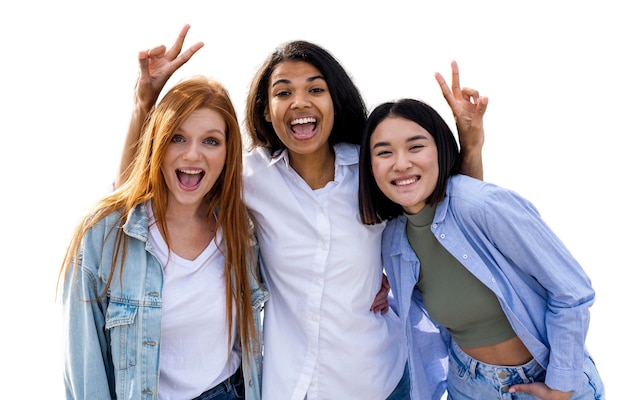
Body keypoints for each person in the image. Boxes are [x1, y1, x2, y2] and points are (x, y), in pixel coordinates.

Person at [118, 25, 486, 400]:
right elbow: (135, 203)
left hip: (379, 381)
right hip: (288, 385)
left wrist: (470, 147)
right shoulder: (251, 177)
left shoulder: (370, 172)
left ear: (334, 102)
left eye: (315, 89)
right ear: (266, 109)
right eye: (283, 92)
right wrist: (143, 105)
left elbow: (452, 224)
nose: (299, 102)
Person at [358, 98, 606, 399]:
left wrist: (562, 382)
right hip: (469, 385)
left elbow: (572, 290)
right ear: (370, 166)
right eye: (384, 152)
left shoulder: (485, 205)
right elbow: (435, 301)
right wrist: (384, 296)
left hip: (544, 378)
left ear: (440, 149)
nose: (401, 163)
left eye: (415, 147)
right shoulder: (393, 239)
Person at [59, 76, 269, 400]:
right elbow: (85, 369)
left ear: (228, 152)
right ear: (157, 142)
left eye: (211, 141)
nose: (192, 155)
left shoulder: (243, 231)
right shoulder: (103, 236)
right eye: (177, 138)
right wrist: (142, 104)